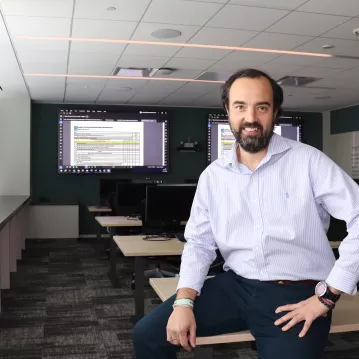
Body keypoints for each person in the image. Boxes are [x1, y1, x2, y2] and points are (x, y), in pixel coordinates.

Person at [132, 68, 359, 359]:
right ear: (228, 111)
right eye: (240, 106)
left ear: (275, 112)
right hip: (234, 287)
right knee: (147, 334)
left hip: (297, 294)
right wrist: (183, 303)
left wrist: (327, 296)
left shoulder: (308, 161)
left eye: (261, 107)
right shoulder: (213, 176)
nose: (250, 117)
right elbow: (199, 244)